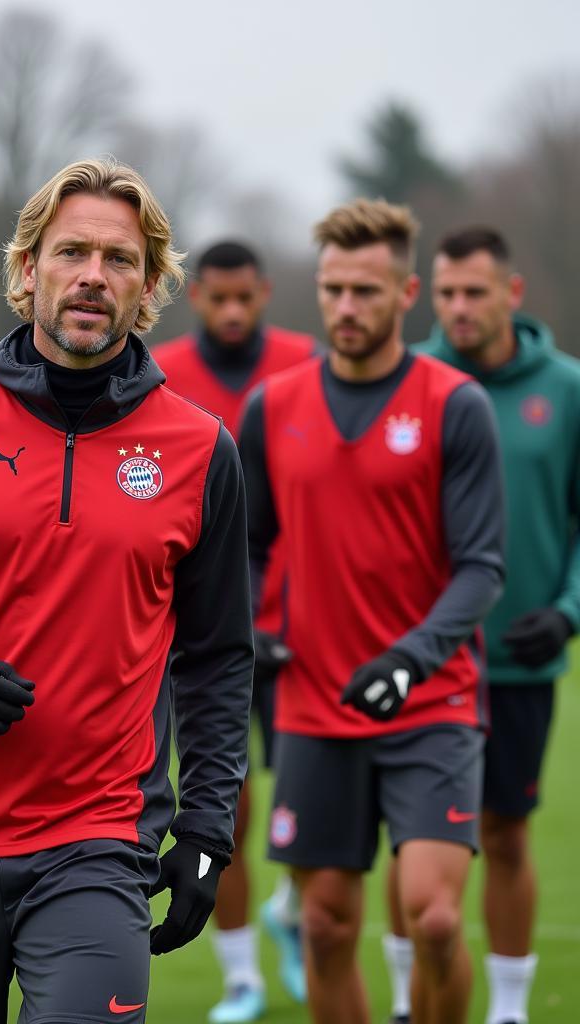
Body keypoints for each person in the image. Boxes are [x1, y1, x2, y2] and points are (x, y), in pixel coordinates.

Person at [0, 157, 254, 1024]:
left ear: (149, 289)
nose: (93, 276)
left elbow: (216, 658)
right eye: (71, 253)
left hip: (98, 839)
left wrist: (209, 826)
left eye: (120, 260)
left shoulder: (202, 449)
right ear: (29, 272)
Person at [239, 199, 506, 1024]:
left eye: (364, 290)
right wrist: (254, 630)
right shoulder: (272, 407)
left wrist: (408, 660)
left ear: (407, 292)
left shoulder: (454, 404)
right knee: (323, 926)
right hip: (315, 707)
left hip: (430, 700)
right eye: (332, 289)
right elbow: (244, 549)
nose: (345, 308)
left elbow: (481, 569)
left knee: (431, 917)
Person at [379, 227, 580, 1024]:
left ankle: (508, 1008)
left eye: (475, 292)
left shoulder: (565, 391)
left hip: (516, 663)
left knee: (503, 832)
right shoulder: (406, 381)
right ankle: (402, 998)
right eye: (447, 293)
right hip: (419, 663)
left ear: (513, 293)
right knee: (412, 839)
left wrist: (569, 613)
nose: (459, 308)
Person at [155, 241, 315, 1021]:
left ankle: (293, 910)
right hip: (201, 639)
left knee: (311, 808)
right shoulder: (157, 371)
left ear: (263, 292)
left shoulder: (306, 366)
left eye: (243, 298)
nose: (230, 312)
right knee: (228, 807)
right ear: (197, 297)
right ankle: (242, 976)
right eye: (215, 298)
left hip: (298, 633)